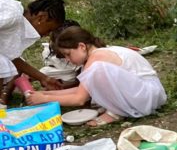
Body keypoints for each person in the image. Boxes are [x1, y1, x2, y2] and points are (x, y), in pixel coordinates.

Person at [26, 27, 167, 126]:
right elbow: (81, 90)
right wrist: (45, 93)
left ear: (82, 46)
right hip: (146, 94)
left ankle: (115, 112)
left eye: (68, 54)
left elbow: (80, 98)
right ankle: (117, 108)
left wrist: (45, 99)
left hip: (147, 96)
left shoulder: (97, 59)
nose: (68, 60)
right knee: (95, 73)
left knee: (97, 70)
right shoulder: (95, 56)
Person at [0, 0, 66, 104]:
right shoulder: (12, 15)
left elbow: (10, 56)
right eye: (49, 30)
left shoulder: (18, 26)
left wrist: (44, 78)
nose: (47, 35)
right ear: (41, 18)